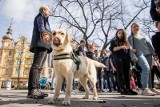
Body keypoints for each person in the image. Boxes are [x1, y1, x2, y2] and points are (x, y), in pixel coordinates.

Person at [27, 5, 52, 99]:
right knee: (36, 66)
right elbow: (41, 26)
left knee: (39, 68)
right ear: (44, 10)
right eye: (48, 11)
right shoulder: (41, 16)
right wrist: (45, 34)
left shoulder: (45, 18)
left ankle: (37, 89)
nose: (49, 13)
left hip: (44, 45)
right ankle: (32, 90)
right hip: (41, 43)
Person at [128, 22, 157, 96]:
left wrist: (154, 54)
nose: (135, 28)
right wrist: (133, 56)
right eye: (134, 27)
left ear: (139, 27)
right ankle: (144, 89)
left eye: (137, 26)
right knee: (146, 68)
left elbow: (149, 45)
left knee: (149, 71)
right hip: (139, 54)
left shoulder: (143, 36)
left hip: (148, 54)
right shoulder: (130, 37)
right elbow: (130, 48)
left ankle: (150, 88)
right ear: (131, 29)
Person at [109, 29, 138, 95]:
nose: (120, 35)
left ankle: (128, 88)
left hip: (126, 59)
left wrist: (132, 50)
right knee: (120, 74)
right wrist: (122, 47)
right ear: (117, 33)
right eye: (119, 33)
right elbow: (113, 49)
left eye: (122, 33)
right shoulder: (113, 41)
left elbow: (128, 49)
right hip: (118, 58)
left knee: (127, 74)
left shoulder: (126, 41)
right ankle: (122, 89)